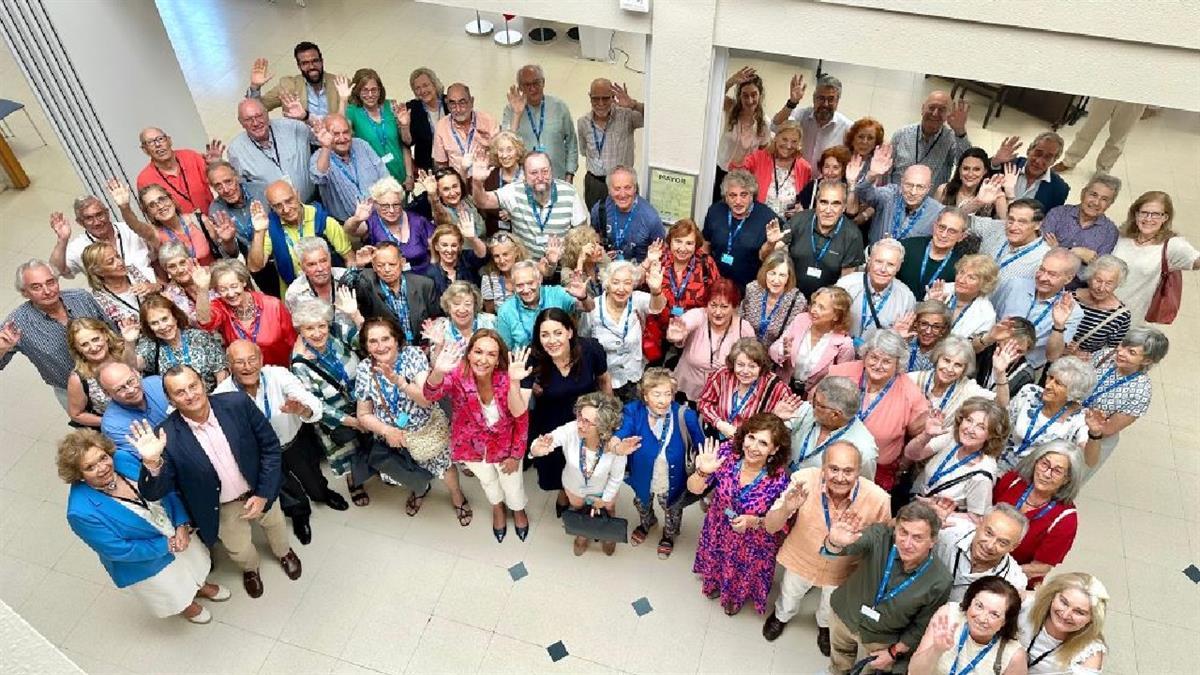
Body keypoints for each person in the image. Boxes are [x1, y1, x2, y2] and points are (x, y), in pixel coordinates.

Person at [134, 365, 301, 599]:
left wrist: (263, 493)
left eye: (193, 386)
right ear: (169, 398)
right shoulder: (165, 435)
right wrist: (152, 463)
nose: (190, 395)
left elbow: (270, 448)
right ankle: (250, 569)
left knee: (275, 524)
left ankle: (284, 553)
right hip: (221, 506)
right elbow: (154, 493)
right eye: (180, 392)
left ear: (203, 383)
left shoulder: (237, 403)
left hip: (259, 489)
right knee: (239, 547)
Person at [60, 429, 228, 623]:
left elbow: (165, 488)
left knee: (193, 564)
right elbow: (118, 550)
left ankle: (201, 586)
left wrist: (181, 523)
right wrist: (168, 545)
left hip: (175, 532)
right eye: (90, 467)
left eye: (103, 457)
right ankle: (187, 605)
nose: (103, 467)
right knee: (173, 587)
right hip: (145, 561)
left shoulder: (122, 458)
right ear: (78, 475)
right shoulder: (80, 512)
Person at [761, 441, 891, 652]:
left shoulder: (879, 500)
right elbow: (769, 526)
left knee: (830, 607)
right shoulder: (802, 481)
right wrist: (786, 508)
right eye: (834, 469)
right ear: (823, 467)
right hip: (801, 557)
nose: (840, 477)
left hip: (843, 570)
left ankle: (824, 628)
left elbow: (880, 545)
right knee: (790, 594)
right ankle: (781, 617)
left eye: (848, 471)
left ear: (859, 471)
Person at [215, 340, 343, 543]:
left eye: (252, 359)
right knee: (284, 487)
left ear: (261, 359)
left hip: (293, 441)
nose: (248, 367)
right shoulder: (222, 394)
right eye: (240, 362)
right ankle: (300, 514)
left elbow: (312, 403)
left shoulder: (278, 375)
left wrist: (302, 409)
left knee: (312, 476)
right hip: (264, 455)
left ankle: (322, 494)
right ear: (229, 365)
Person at [352, 318, 466, 522]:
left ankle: (457, 496)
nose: (380, 346)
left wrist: (399, 382)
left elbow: (425, 400)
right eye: (373, 341)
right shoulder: (363, 369)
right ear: (366, 346)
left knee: (445, 466)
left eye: (386, 338)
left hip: (426, 430)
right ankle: (419, 490)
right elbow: (363, 414)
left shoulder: (413, 355)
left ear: (396, 339)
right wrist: (388, 431)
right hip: (394, 438)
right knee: (409, 470)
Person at [423, 329, 530, 542]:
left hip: (506, 448)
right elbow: (430, 394)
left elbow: (521, 418)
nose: (483, 359)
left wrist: (516, 455)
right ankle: (497, 507)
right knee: (488, 482)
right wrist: (437, 372)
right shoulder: (457, 375)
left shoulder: (509, 377)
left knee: (513, 484)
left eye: (491, 354)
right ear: (469, 353)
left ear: (499, 358)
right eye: (478, 352)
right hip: (471, 448)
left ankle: (518, 509)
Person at [822, 501, 953, 674]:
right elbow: (846, 547)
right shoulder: (880, 536)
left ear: (932, 541)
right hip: (845, 615)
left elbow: (920, 626)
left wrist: (893, 652)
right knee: (839, 660)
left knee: (871, 670)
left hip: (881, 638)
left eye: (918, 537)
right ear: (895, 529)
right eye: (903, 532)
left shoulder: (940, 581)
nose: (907, 543)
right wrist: (835, 542)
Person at [688, 414, 792, 615]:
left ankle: (734, 597)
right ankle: (714, 582)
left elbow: (779, 524)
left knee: (741, 573)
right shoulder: (726, 454)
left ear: (774, 449)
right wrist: (702, 472)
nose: (753, 447)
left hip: (752, 541)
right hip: (719, 525)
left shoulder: (779, 481)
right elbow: (694, 489)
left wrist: (755, 521)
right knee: (717, 557)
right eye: (751, 437)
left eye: (763, 443)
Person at [517, 308, 611, 515]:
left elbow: (604, 379)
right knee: (557, 463)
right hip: (550, 420)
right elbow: (519, 408)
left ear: (569, 332)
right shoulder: (533, 359)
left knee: (588, 463)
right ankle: (564, 493)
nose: (552, 340)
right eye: (545, 334)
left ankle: (589, 499)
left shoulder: (590, 349)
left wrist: (608, 416)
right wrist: (516, 381)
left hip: (587, 420)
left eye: (558, 332)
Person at [616, 368, 705, 559]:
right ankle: (647, 523)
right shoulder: (634, 410)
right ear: (645, 396)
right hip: (642, 474)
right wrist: (616, 444)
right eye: (656, 394)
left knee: (672, 508)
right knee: (642, 502)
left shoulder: (685, 415)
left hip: (672, 476)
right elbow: (623, 430)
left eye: (668, 394)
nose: (663, 400)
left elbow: (701, 445)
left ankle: (668, 536)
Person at [289, 296, 370, 506]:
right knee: (348, 450)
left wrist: (355, 315)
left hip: (363, 401)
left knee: (371, 442)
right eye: (309, 328)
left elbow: (368, 342)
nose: (317, 333)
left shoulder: (338, 332)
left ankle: (376, 469)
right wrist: (351, 421)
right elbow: (314, 405)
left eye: (321, 326)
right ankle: (355, 482)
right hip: (337, 415)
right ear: (300, 330)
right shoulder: (299, 363)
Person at [826, 329, 930, 491]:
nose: (878, 365)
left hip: (875, 471)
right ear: (865, 355)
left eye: (887, 361)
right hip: (830, 460)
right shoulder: (840, 374)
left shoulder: (911, 394)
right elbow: (816, 405)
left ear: (898, 364)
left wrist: (901, 468)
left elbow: (916, 434)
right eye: (874, 357)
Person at [0, 260, 113, 407]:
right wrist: (3, 348)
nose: (47, 291)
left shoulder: (81, 297)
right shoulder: (16, 323)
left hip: (114, 373)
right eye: (36, 287)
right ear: (24, 293)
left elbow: (112, 333)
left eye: (50, 282)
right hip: (72, 392)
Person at [530, 392, 630, 556]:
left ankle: (609, 536)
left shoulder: (615, 444)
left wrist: (604, 499)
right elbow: (549, 439)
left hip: (603, 489)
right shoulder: (571, 430)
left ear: (603, 426)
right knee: (579, 510)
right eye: (580, 417)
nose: (580, 424)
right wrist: (536, 448)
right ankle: (582, 534)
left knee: (609, 510)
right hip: (574, 486)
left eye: (587, 422)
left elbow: (616, 477)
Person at [994, 441, 1084, 588]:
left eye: (1057, 471)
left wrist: (996, 572)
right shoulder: (1014, 480)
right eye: (1044, 464)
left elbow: (1040, 568)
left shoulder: (1066, 520)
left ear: (1066, 479)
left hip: (1013, 578)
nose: (1046, 474)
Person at [469, 150, 587, 262]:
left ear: (552, 171)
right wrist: (477, 182)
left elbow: (581, 233)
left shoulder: (570, 193)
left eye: (545, 171)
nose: (540, 177)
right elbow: (482, 202)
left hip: (561, 265)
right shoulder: (514, 191)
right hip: (526, 268)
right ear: (524, 176)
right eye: (534, 173)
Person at [1081, 326, 1167, 477]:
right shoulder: (1106, 356)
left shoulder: (1141, 391)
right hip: (1066, 419)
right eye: (1122, 345)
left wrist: (1089, 422)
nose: (1121, 352)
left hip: (1092, 439)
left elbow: (1108, 429)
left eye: (1131, 352)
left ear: (1146, 360)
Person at [905, 397, 1009, 517]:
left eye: (981, 427)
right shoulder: (952, 438)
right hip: (912, 507)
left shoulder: (983, 474)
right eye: (969, 420)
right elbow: (912, 454)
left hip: (937, 525)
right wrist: (926, 436)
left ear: (991, 435)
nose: (970, 429)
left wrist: (942, 512)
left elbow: (976, 518)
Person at [249, 180, 355, 294]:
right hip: (295, 298)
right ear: (271, 207)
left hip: (333, 292)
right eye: (278, 206)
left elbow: (350, 259)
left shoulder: (324, 221)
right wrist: (259, 231)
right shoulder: (271, 227)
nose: (286, 209)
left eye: (289, 201)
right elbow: (255, 267)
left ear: (297, 195)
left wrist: (349, 288)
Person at [994, 355, 1096, 472]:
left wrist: (1095, 434)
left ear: (1073, 391)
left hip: (1033, 477)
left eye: (1058, 383)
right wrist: (1000, 374)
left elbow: (1090, 460)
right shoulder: (1029, 393)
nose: (1048, 385)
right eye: (1050, 378)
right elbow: (1002, 417)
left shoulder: (1079, 418)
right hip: (998, 462)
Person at [908, 576, 1027, 675]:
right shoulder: (948, 615)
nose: (982, 618)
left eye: (994, 614)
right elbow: (913, 672)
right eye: (979, 606)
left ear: (1005, 621)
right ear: (969, 602)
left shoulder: (1014, 656)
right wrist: (936, 650)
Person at [1112, 190, 1200, 324]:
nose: (1148, 219)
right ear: (1135, 214)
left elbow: (1196, 262)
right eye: (1144, 213)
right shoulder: (1122, 236)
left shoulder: (1172, 245)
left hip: (1129, 320)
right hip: (1098, 311)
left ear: (1165, 218)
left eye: (1156, 214)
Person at [643, 218, 723, 364]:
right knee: (655, 373)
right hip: (659, 329)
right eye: (678, 241)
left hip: (691, 331)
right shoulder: (658, 259)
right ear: (670, 241)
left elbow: (717, 296)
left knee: (684, 373)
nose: (682, 248)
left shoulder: (706, 263)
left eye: (689, 243)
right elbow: (637, 285)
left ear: (696, 245)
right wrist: (647, 263)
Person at [992, 247, 1084, 370]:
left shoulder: (1072, 311)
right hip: (990, 354)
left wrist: (1059, 325)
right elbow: (991, 315)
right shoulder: (1014, 285)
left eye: (1052, 274)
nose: (1042, 278)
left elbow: (1052, 356)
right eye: (1042, 270)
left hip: (1023, 368)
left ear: (1068, 279)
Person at [585, 259, 665, 400]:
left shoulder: (637, 299)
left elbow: (657, 307)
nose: (621, 289)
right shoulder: (593, 307)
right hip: (604, 381)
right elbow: (584, 339)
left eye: (627, 283)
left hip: (634, 377)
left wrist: (656, 290)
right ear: (607, 283)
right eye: (615, 282)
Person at [665, 279, 756, 402]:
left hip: (723, 396)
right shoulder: (698, 315)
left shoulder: (744, 328)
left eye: (724, 307)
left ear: (734, 307)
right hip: (685, 392)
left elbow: (753, 360)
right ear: (706, 304)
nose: (718, 312)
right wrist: (676, 334)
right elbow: (685, 323)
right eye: (713, 305)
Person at [195, 259, 298, 366]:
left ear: (243, 282)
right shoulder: (221, 307)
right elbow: (204, 321)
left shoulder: (273, 305)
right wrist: (202, 289)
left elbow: (293, 341)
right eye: (223, 289)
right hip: (247, 374)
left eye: (234, 286)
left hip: (280, 370)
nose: (230, 294)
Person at [48, 191, 157, 283]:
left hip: (154, 295)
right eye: (89, 218)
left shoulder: (130, 229)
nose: (97, 222)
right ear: (80, 222)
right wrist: (62, 240)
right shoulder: (78, 247)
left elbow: (157, 248)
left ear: (107, 213)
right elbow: (55, 271)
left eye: (99, 215)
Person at [205, 161, 279, 295]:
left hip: (280, 252)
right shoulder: (216, 210)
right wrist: (228, 241)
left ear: (237, 177)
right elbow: (232, 254)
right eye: (218, 186)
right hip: (255, 267)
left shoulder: (261, 190)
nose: (226, 189)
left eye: (228, 181)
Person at [343, 242, 441, 343]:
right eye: (380, 265)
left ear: (402, 262)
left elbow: (437, 319)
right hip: (384, 348)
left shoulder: (424, 284)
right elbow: (343, 288)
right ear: (374, 266)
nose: (387, 269)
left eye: (392, 264)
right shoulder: (367, 282)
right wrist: (358, 266)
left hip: (421, 347)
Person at [769, 286, 856, 397]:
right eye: (814, 304)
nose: (814, 310)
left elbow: (840, 381)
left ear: (836, 316)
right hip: (783, 389)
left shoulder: (844, 344)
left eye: (821, 307)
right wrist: (783, 352)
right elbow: (774, 349)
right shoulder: (801, 320)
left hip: (814, 399)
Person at [697, 338, 791, 439]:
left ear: (761, 367)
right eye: (740, 365)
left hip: (752, 445)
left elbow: (786, 422)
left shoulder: (776, 387)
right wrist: (719, 423)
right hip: (719, 436)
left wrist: (777, 417)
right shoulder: (723, 375)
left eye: (752, 366)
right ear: (733, 364)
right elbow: (703, 402)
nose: (745, 371)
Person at [702, 169, 780, 290]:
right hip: (715, 283)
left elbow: (766, 258)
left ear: (752, 195)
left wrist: (771, 243)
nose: (738, 201)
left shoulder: (767, 218)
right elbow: (706, 243)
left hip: (749, 287)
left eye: (743, 195)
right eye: (732, 195)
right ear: (725, 197)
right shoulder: (715, 211)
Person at [933, 506, 1029, 603]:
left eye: (1002, 542)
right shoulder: (948, 530)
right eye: (988, 533)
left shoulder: (1013, 583)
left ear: (1014, 546)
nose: (990, 545)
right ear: (979, 523)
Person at [848, 146, 944, 243]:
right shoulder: (890, 194)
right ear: (901, 182)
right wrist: (872, 175)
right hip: (874, 255)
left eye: (920, 187)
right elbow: (864, 194)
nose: (913, 192)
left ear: (929, 188)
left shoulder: (937, 212)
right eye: (909, 185)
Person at [132, 293, 227, 392]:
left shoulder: (199, 337)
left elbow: (221, 372)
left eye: (165, 319)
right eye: (154, 323)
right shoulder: (151, 345)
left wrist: (218, 397)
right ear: (149, 327)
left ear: (175, 316)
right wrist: (129, 342)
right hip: (177, 404)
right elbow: (134, 366)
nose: (163, 327)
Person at [227, 98, 316, 202]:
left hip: (313, 204)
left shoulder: (292, 127)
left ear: (267, 113)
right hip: (277, 213)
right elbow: (241, 189)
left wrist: (306, 117)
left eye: (259, 116)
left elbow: (325, 136)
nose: (255, 123)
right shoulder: (236, 151)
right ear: (241, 122)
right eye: (248, 119)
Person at [1018, 572, 1109, 673]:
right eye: (1064, 602)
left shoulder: (1089, 655)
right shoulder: (1027, 604)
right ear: (1052, 596)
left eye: (1079, 612)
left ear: (1092, 619)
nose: (1065, 615)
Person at [786, 182, 864, 298]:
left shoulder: (852, 235)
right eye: (823, 202)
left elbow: (846, 283)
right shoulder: (798, 220)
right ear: (816, 203)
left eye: (835, 204)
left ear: (843, 208)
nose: (828, 210)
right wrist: (772, 244)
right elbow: (775, 258)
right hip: (790, 295)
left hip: (827, 303)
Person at [1040, 174, 1121, 286]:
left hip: (1075, 288)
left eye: (1104, 199)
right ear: (1083, 193)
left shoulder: (1110, 232)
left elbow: (1096, 270)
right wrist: (1074, 251)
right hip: (1042, 276)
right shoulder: (1058, 213)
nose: (1096, 202)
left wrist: (1056, 249)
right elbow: (1041, 249)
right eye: (1093, 195)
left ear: (1110, 204)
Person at [503, 65, 577, 182]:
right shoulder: (511, 110)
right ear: (520, 88)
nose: (533, 88)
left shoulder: (559, 107)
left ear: (543, 82)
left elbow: (571, 142)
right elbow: (505, 145)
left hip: (557, 178)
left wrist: (570, 174)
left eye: (536, 83)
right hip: (525, 180)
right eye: (527, 85)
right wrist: (517, 114)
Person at [577, 78, 644, 208]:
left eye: (605, 98)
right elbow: (584, 150)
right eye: (596, 98)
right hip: (596, 184)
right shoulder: (583, 123)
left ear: (613, 97)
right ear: (590, 97)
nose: (600, 103)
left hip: (623, 184)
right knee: (597, 223)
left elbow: (653, 116)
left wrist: (634, 104)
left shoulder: (627, 116)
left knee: (628, 222)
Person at [132, 184, 233, 269]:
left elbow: (230, 254)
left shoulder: (199, 221)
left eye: (162, 199)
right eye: (152, 205)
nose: (160, 206)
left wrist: (228, 241)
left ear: (171, 199)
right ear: (148, 213)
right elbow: (137, 227)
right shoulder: (155, 235)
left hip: (217, 283)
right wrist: (125, 207)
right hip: (187, 290)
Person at [310, 113, 388, 222]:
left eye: (346, 132)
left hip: (379, 217)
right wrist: (326, 147)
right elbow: (318, 177)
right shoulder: (320, 156)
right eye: (336, 134)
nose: (342, 138)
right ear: (326, 134)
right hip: (348, 226)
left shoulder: (362, 145)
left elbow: (384, 175)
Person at [495, 260, 591, 349]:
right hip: (526, 363)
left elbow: (589, 308)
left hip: (560, 355)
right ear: (513, 286)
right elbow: (505, 349)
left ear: (539, 280)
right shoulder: (506, 310)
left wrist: (583, 297)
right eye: (520, 285)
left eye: (530, 283)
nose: (526, 289)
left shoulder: (557, 294)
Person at [836, 238, 917, 342]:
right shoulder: (846, 285)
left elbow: (904, 341)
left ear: (898, 267)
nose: (883, 269)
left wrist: (895, 336)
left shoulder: (906, 298)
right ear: (869, 261)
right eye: (879, 262)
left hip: (879, 355)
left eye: (890, 264)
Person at [729, 121, 813, 219]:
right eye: (784, 139)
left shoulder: (804, 167)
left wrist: (800, 211)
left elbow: (806, 201)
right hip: (757, 220)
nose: (788, 145)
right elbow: (735, 172)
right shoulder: (759, 157)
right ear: (776, 138)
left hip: (788, 225)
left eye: (794, 141)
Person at [345, 68, 413, 188]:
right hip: (374, 180)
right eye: (364, 90)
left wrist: (409, 176)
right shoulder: (353, 111)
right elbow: (341, 131)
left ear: (380, 90)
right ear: (357, 91)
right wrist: (342, 99)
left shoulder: (391, 106)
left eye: (374, 90)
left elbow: (405, 143)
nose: (370, 95)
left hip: (400, 174)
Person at [888, 91, 971, 187]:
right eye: (931, 108)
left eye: (942, 110)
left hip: (930, 199)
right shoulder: (901, 135)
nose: (935, 114)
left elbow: (968, 164)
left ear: (948, 114)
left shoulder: (952, 139)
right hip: (897, 195)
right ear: (922, 108)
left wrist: (960, 131)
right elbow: (887, 170)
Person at [770, 73, 852, 167]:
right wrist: (792, 102)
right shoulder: (801, 115)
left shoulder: (847, 127)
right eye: (821, 98)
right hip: (797, 177)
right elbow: (775, 127)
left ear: (837, 101)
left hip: (827, 180)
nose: (825, 104)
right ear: (814, 98)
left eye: (831, 99)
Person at [968, 198, 1052, 290]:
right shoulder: (996, 228)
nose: (1013, 227)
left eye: (1022, 222)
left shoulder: (1044, 258)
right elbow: (957, 219)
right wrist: (978, 201)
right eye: (1011, 220)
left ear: (1037, 225)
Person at [359, 176, 438, 275]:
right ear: (376, 204)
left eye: (396, 205)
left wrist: (434, 262)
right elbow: (351, 230)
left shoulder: (418, 221)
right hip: (386, 279)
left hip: (422, 279)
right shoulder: (371, 222)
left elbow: (438, 243)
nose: (391, 210)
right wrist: (357, 219)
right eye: (385, 206)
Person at [713, 66, 770, 202]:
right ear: (739, 96)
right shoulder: (731, 109)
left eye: (754, 95)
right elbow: (715, 94)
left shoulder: (764, 123)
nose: (750, 100)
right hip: (722, 170)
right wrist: (731, 81)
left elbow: (762, 154)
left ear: (760, 95)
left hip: (744, 177)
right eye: (745, 95)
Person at [66, 318, 134, 429]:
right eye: (84, 344)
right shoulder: (78, 378)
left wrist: (130, 344)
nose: (93, 347)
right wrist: (111, 422)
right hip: (121, 429)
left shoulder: (125, 351)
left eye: (95, 339)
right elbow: (76, 414)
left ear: (105, 335)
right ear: (77, 349)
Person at [135, 127, 220, 215]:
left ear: (169, 141)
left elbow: (220, 183)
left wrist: (216, 165)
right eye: (150, 142)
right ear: (145, 150)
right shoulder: (144, 180)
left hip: (215, 220)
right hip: (182, 227)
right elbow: (152, 215)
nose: (158, 144)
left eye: (160, 139)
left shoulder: (191, 157)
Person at [588, 166, 665, 262]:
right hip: (606, 269)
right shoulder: (600, 209)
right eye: (617, 188)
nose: (622, 194)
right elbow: (592, 240)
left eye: (627, 188)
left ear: (635, 188)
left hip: (638, 272)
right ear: (609, 190)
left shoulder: (651, 218)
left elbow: (662, 254)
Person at [907, 336, 994, 420]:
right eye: (946, 360)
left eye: (958, 365)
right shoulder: (912, 379)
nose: (949, 369)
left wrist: (1000, 373)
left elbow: (1000, 404)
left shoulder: (967, 389)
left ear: (965, 369)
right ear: (937, 358)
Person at [246, 42, 341, 118]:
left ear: (322, 61)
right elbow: (258, 108)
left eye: (315, 61)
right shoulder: (288, 85)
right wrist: (255, 86)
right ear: (299, 66)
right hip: (300, 140)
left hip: (336, 139)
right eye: (305, 63)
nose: (312, 66)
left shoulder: (339, 83)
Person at [1053, 98, 1147, 174]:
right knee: (1089, 128)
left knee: (1118, 137)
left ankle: (1103, 169)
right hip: (1109, 85)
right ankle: (1069, 160)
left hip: (1136, 96)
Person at [896, 208, 969, 301]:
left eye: (952, 231)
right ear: (934, 226)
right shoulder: (906, 247)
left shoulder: (961, 266)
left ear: (961, 237)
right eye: (942, 227)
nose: (944, 235)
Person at [98, 364, 171, 456]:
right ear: (107, 393)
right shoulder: (112, 426)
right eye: (120, 389)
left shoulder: (158, 384)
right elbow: (149, 457)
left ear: (136, 373)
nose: (131, 390)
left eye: (131, 381)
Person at [80, 241, 158, 327]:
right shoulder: (98, 299)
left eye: (117, 256)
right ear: (98, 271)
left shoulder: (132, 271)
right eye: (111, 262)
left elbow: (159, 292)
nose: (120, 262)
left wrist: (153, 288)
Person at [740, 250, 807, 348]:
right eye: (772, 273)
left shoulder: (798, 302)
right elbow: (741, 323)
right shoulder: (753, 289)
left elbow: (793, 339)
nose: (776, 280)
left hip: (775, 357)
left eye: (782, 275)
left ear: (789, 277)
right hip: (748, 351)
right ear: (765, 273)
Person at [1067, 255, 1131, 358]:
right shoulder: (1069, 298)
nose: (1101, 288)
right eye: (1098, 280)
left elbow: (1113, 351)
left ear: (1117, 284)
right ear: (1089, 278)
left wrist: (1088, 356)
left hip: (1085, 367)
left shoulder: (1121, 315)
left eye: (1109, 283)